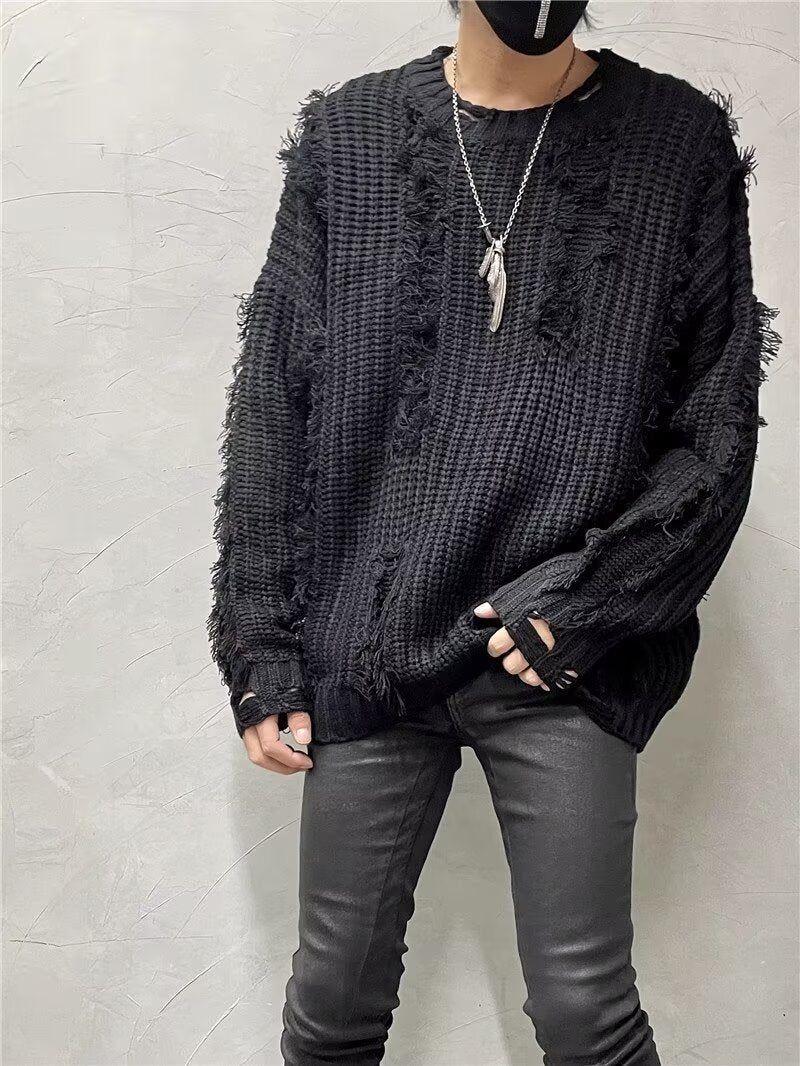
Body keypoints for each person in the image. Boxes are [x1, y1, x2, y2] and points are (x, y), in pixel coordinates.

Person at [208, 2, 781, 1063]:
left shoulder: (677, 144)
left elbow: (714, 426)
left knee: (584, 1014)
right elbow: (274, 407)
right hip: (372, 641)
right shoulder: (351, 136)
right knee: (330, 1007)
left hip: (557, 655)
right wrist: (262, 650)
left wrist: (590, 600)